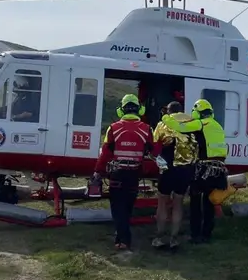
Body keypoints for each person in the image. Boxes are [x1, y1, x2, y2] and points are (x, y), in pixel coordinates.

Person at [92, 93, 153, 251]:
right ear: (139, 110)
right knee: (128, 206)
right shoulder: (147, 129)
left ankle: (123, 239)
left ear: (121, 110)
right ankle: (122, 237)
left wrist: (98, 172)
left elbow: (105, 153)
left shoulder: (113, 128)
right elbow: (153, 150)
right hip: (134, 174)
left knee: (117, 207)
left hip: (117, 173)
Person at [162, 98, 227, 243]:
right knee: (209, 203)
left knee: (195, 202)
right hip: (218, 170)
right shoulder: (217, 125)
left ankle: (195, 234)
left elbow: (179, 128)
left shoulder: (201, 124)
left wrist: (166, 116)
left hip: (204, 169)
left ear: (197, 112)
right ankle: (206, 235)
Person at [150, 101, 198, 250]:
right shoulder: (193, 123)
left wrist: (157, 161)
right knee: (178, 203)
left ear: (168, 111)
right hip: (185, 169)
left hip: (167, 169)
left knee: (162, 202)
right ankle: (174, 238)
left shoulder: (163, 124)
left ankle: (159, 237)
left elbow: (154, 148)